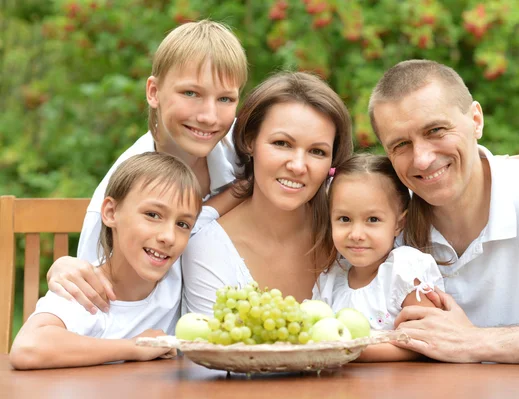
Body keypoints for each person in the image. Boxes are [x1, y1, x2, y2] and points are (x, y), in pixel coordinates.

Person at [368, 59, 519, 365]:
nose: (422, 159)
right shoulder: (385, 220)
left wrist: (475, 341)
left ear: (476, 120)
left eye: (436, 130)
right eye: (401, 144)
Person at [45, 19, 248, 315]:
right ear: (153, 92)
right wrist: (64, 269)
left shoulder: (243, 156)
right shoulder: (120, 194)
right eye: (191, 93)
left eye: (226, 99)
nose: (208, 116)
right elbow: (95, 303)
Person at [181, 71, 354, 315]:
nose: (297, 166)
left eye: (317, 151)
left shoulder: (352, 235)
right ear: (250, 141)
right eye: (282, 144)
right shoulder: (207, 250)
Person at [10, 152, 203, 370]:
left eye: (183, 224)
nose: (168, 237)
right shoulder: (84, 288)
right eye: (153, 214)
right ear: (111, 213)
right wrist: (134, 347)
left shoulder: (180, 277)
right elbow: (27, 348)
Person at [312, 153, 443, 362]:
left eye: (372, 219)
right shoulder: (329, 281)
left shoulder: (404, 271)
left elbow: (427, 340)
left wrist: (352, 351)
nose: (356, 234)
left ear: (399, 223)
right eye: (344, 219)